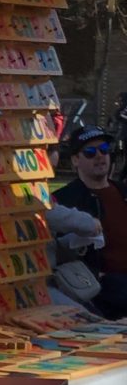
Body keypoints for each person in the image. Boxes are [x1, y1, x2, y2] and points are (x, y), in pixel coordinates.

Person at [54, 126, 127, 320]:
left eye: (104, 149)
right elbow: (59, 252)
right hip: (99, 285)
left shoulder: (123, 191)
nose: (99, 156)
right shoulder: (64, 200)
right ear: (75, 160)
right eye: (90, 152)